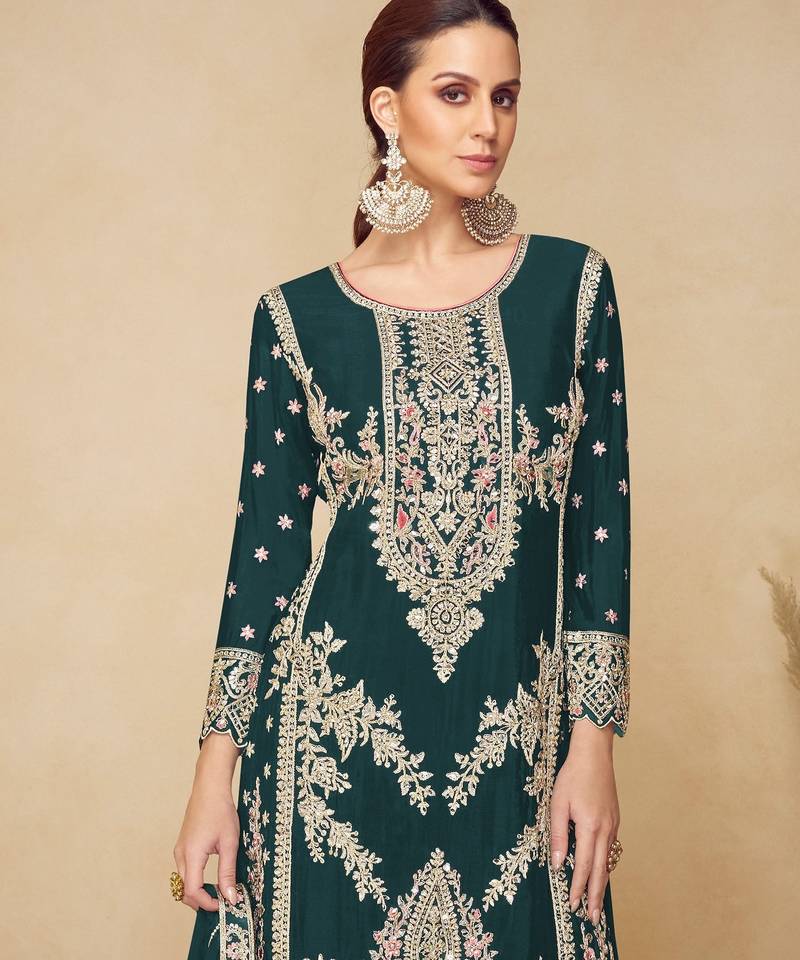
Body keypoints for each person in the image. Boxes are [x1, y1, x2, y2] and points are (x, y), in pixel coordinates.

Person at [173, 2, 631, 958]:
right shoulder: (296, 318)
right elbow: (263, 560)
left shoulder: (572, 289)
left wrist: (593, 744)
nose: (487, 125)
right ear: (387, 109)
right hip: (330, 755)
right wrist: (215, 772)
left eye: (505, 96)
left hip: (519, 747)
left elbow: (600, 528)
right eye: (455, 94)